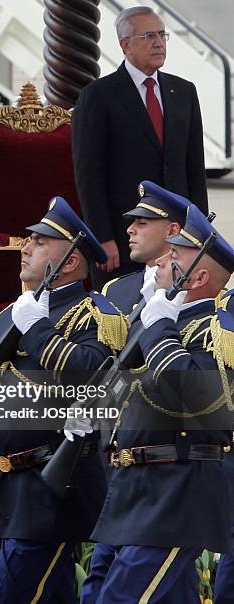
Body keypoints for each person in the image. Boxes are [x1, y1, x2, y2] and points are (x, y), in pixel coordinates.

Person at [0, 196, 129, 603]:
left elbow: (91, 379)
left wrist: (39, 330)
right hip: (9, 487)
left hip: (51, 489)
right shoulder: (13, 314)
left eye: (41, 242)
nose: (25, 247)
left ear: (72, 262)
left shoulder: (95, 313)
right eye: (30, 239)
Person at [86, 204, 234, 602]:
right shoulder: (155, 321)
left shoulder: (218, 332)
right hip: (131, 489)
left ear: (199, 276)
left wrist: (159, 332)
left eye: (175, 256)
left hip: (176, 492)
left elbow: (198, 402)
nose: (164, 261)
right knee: (97, 589)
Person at [72, 5, 208, 287]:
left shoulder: (183, 92)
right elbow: (89, 175)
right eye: (149, 36)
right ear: (126, 45)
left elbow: (194, 168)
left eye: (162, 35)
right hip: (123, 239)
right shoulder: (98, 96)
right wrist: (102, 237)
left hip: (178, 235)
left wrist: (200, 232)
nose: (159, 42)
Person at [102, 180, 190, 315]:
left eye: (142, 223)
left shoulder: (193, 290)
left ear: (172, 231)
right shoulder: (114, 289)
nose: (130, 229)